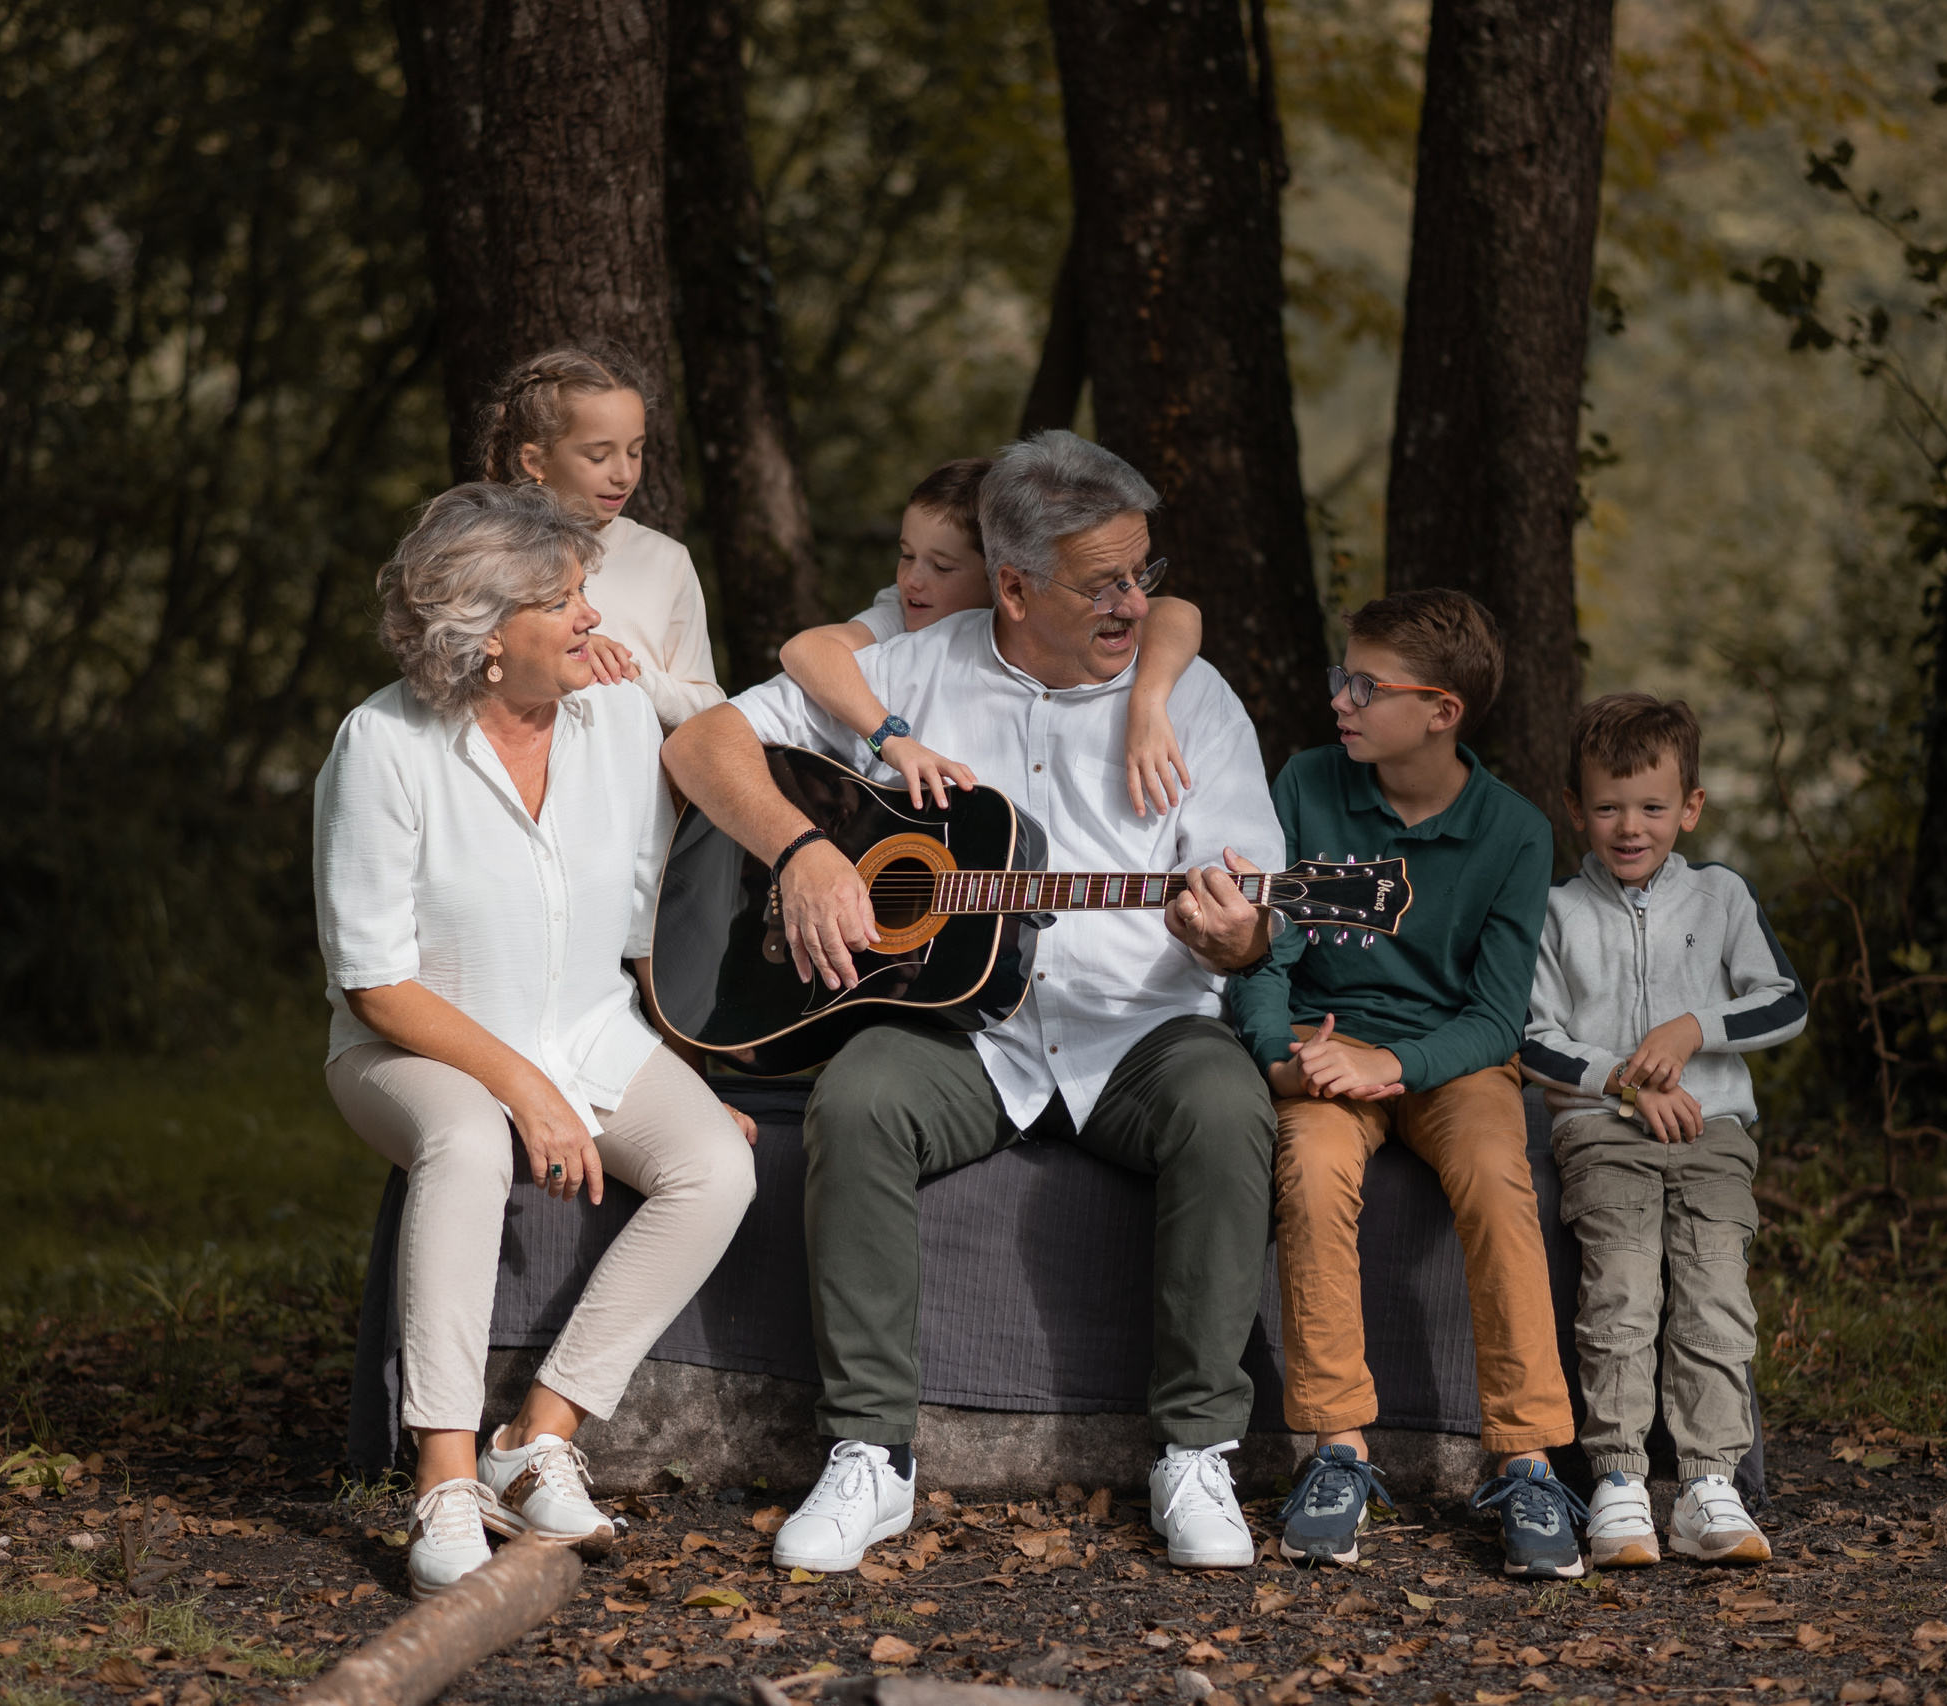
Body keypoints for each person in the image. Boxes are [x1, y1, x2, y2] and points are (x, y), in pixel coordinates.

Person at [663, 430, 1285, 1572]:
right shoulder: (905, 672)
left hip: (1138, 1030)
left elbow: (1250, 904)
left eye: (1143, 572)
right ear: (1012, 585)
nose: (1136, 602)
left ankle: (1197, 1450)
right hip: (967, 1030)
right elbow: (705, 743)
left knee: (1227, 1104)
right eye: (1104, 583)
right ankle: (869, 1455)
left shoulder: (1188, 697)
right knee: (858, 1097)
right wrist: (800, 849)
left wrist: (1235, 932)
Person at [313, 482, 758, 1598]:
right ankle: (443, 1477)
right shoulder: (381, 744)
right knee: (466, 1141)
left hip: (586, 1032)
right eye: (563, 602)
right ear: (485, 630)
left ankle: (538, 1432)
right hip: (414, 1048)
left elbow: (643, 907)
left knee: (718, 1165)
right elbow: (373, 981)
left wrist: (688, 1072)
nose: (590, 621)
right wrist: (520, 1086)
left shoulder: (608, 719)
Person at [1224, 590, 1582, 1576]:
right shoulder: (1305, 783)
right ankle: (1336, 1449)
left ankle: (1526, 1458)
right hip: (1321, 1047)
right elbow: (1263, 954)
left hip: (1451, 1058)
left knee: (1501, 1183)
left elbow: (1495, 1015)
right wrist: (1279, 1056)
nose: (1340, 699)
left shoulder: (1511, 831)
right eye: (1343, 677)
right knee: (1308, 1166)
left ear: (1441, 710)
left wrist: (1396, 1065)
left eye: (1365, 686)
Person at [1518, 693, 1806, 1567]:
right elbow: (1531, 1037)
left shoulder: (1721, 897)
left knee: (1716, 1294)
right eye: (1607, 807)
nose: (1629, 827)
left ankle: (1709, 1484)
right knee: (1622, 1292)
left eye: (1652, 807)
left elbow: (1784, 1002)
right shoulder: (1557, 911)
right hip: (1603, 1132)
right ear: (1576, 809)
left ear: (1691, 807)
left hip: (1713, 1130)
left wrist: (1690, 1030)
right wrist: (1623, 1082)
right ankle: (1617, 1480)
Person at [777, 457, 1212, 816]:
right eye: (906, 555)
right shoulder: (902, 618)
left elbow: (1175, 613)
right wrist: (890, 739)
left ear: (1003, 584)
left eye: (943, 567)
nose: (913, 579)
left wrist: (1148, 701)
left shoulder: (1065, 608)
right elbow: (805, 648)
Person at [477, 343, 726, 730]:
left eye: (636, 451)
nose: (624, 474)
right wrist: (562, 654)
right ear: (536, 461)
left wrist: (632, 674)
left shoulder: (666, 560)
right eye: (598, 456)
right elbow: (453, 676)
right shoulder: (490, 553)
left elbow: (710, 709)